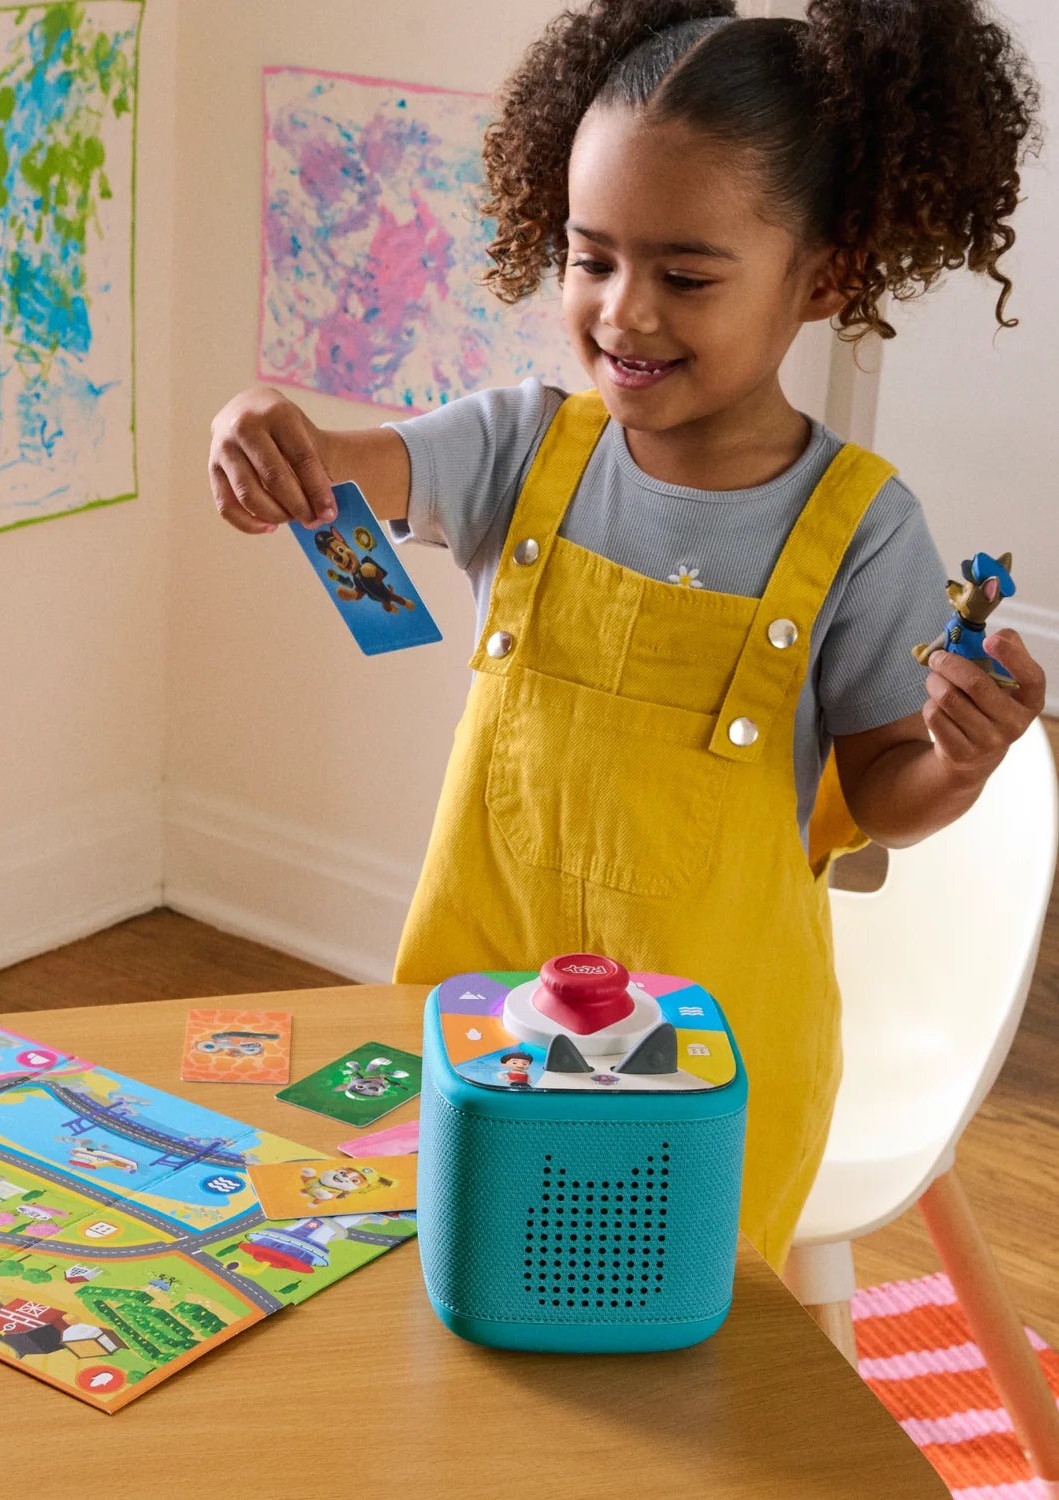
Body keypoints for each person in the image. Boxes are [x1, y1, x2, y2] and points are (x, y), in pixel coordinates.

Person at [205, 0, 1045, 1271]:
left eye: (686, 276)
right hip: (481, 1021)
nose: (624, 314)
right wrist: (267, 434)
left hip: (704, 1072)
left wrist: (961, 760)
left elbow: (878, 790)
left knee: (653, 1361)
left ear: (825, 276)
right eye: (591, 258)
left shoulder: (865, 531)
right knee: (448, 1293)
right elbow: (341, 470)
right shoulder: (516, 450)